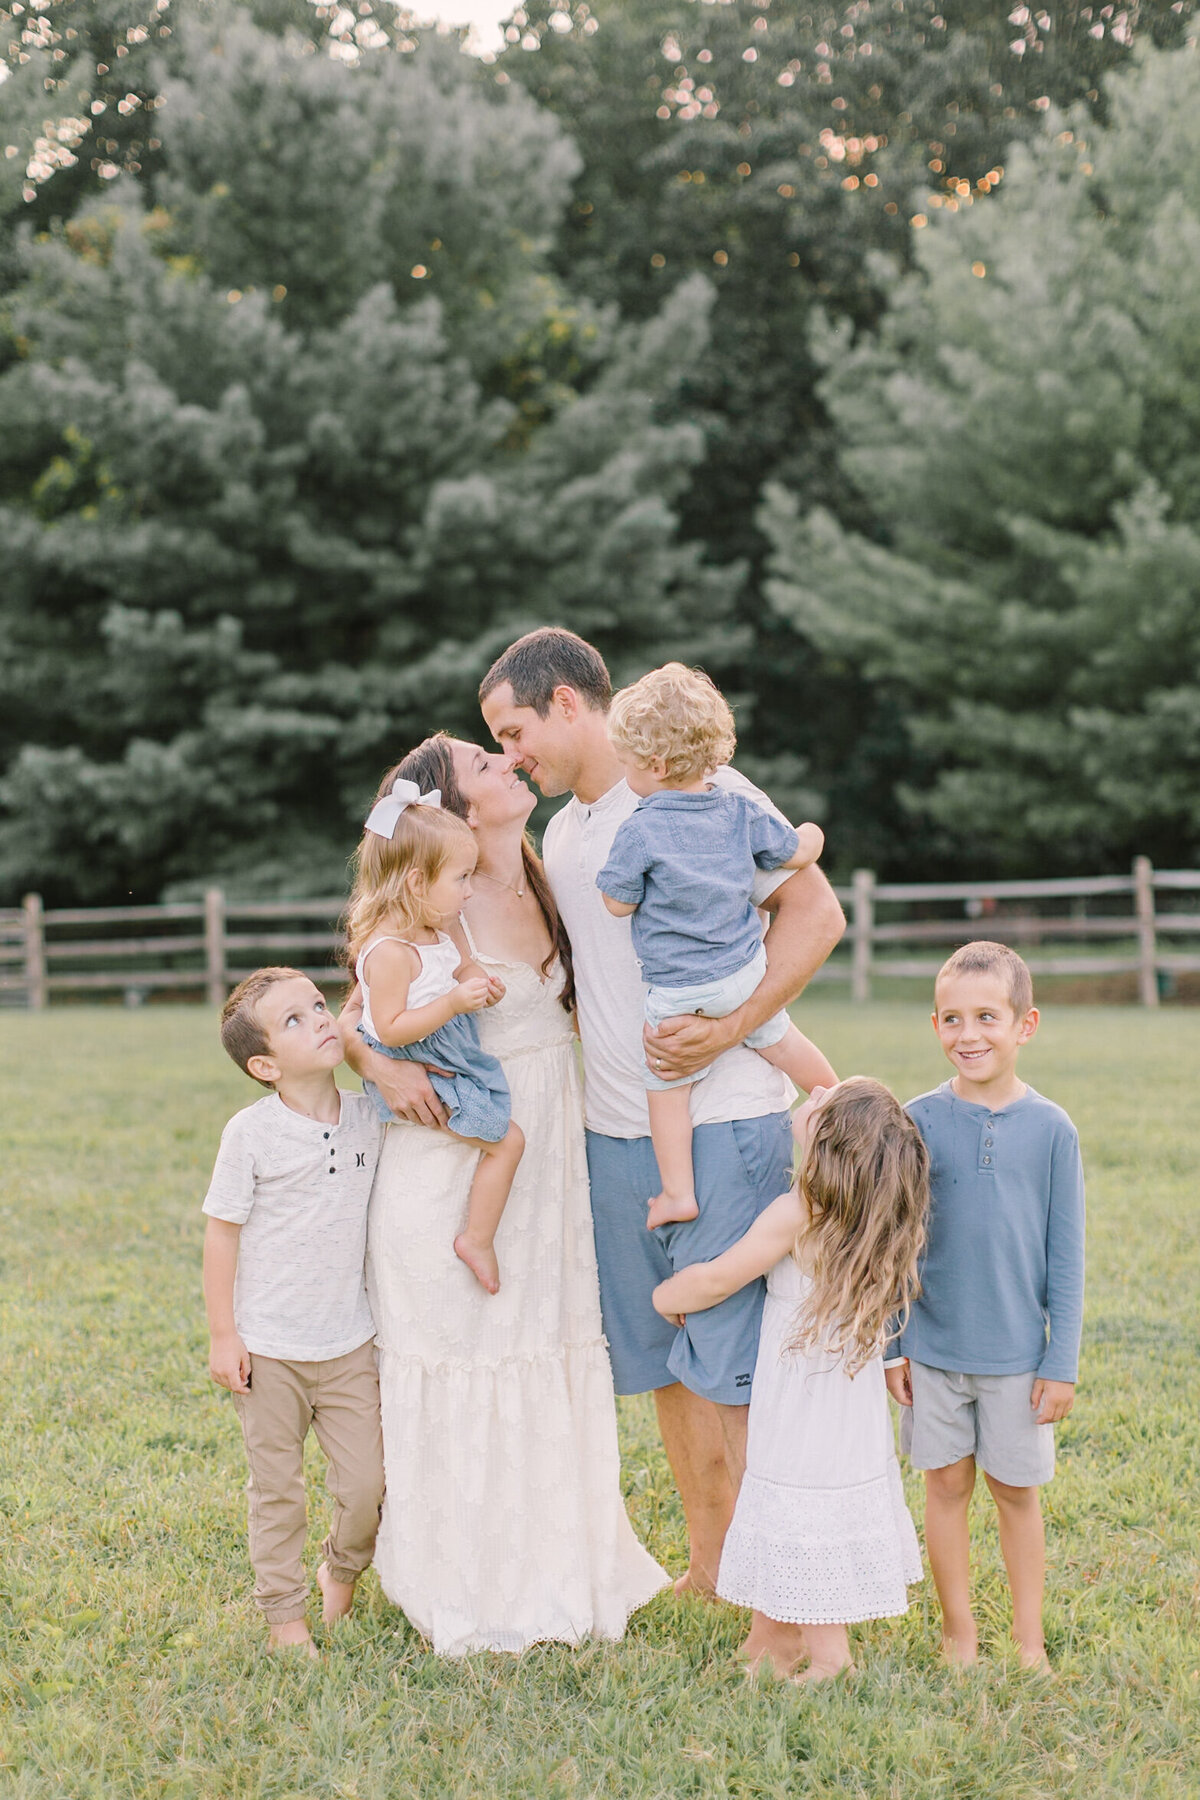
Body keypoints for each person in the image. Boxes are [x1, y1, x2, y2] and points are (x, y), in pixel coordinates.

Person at [478, 627, 846, 1596]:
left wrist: (734, 1030)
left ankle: (790, 1574)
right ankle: (712, 1560)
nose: (515, 756)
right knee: (667, 1359)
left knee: (733, 1360)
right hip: (616, 1130)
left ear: (568, 703)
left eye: (518, 731)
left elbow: (818, 916)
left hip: (724, 1117)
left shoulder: (708, 794)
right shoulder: (561, 835)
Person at [342, 734, 669, 1656]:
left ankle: (562, 1563)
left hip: (550, 1151)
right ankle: (464, 1577)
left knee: (546, 1344)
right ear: (454, 807)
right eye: (487, 764)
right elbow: (356, 1014)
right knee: (470, 1350)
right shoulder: (429, 900)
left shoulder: (553, 865)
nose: (510, 765)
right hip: (455, 1155)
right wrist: (377, 1064)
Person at [653, 1078, 930, 1681]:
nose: (808, 1101)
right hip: (847, 1412)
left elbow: (719, 1278)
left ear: (827, 1144)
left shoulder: (799, 1214)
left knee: (799, 1513)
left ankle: (831, 1658)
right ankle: (769, 1640)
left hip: (799, 1406)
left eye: (818, 1107)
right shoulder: (870, 1227)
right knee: (806, 1510)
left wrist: (666, 1294)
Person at [884, 941, 1086, 1671]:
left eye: (986, 1017)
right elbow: (891, 1242)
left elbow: (1066, 1259)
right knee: (946, 1485)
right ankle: (957, 1634)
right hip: (933, 1350)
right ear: (934, 1024)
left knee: (1014, 1492)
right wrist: (890, 1344)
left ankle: (1028, 1640)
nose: (968, 1034)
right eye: (951, 1018)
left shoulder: (1053, 1130)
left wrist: (1058, 1362)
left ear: (1024, 1024)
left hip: (1017, 1361)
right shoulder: (916, 1121)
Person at [596, 661, 835, 1229]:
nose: (625, 775)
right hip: (745, 972)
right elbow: (795, 853)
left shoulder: (639, 826)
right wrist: (815, 835)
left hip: (680, 989)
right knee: (782, 1039)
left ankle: (678, 1191)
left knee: (665, 1086)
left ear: (654, 765)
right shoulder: (738, 811)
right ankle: (836, 1099)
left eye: (627, 764)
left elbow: (616, 903)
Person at [202, 967, 385, 1657]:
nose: (318, 1019)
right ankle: (284, 1618)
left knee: (367, 1483)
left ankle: (341, 1569)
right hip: (271, 1348)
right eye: (295, 1020)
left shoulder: (371, 1113)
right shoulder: (250, 1135)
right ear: (264, 1064)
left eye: (318, 1005)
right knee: (277, 1491)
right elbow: (222, 1233)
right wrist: (226, 1335)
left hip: (349, 1345)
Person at [345, 772, 524, 1295]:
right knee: (508, 1142)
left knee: (506, 1139)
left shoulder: (439, 930)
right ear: (417, 884)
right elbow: (392, 1031)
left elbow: (464, 967)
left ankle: (478, 1233)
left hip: (453, 1057)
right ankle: (477, 1238)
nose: (469, 891)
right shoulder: (390, 953)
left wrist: (479, 984)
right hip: (422, 1065)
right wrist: (451, 1002)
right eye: (460, 879)